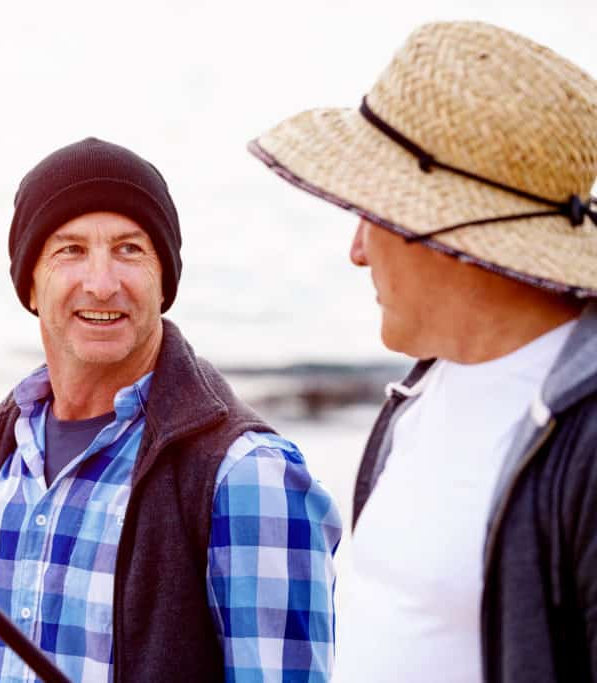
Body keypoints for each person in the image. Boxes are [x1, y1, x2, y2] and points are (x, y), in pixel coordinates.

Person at [247, 21, 597, 683]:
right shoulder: (416, 398)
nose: (355, 251)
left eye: (375, 213)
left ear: (452, 230)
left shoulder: (585, 438)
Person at [0, 137, 341, 682]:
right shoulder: (4, 446)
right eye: (69, 250)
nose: (101, 283)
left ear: (165, 283)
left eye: (129, 249)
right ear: (30, 286)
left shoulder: (249, 476)